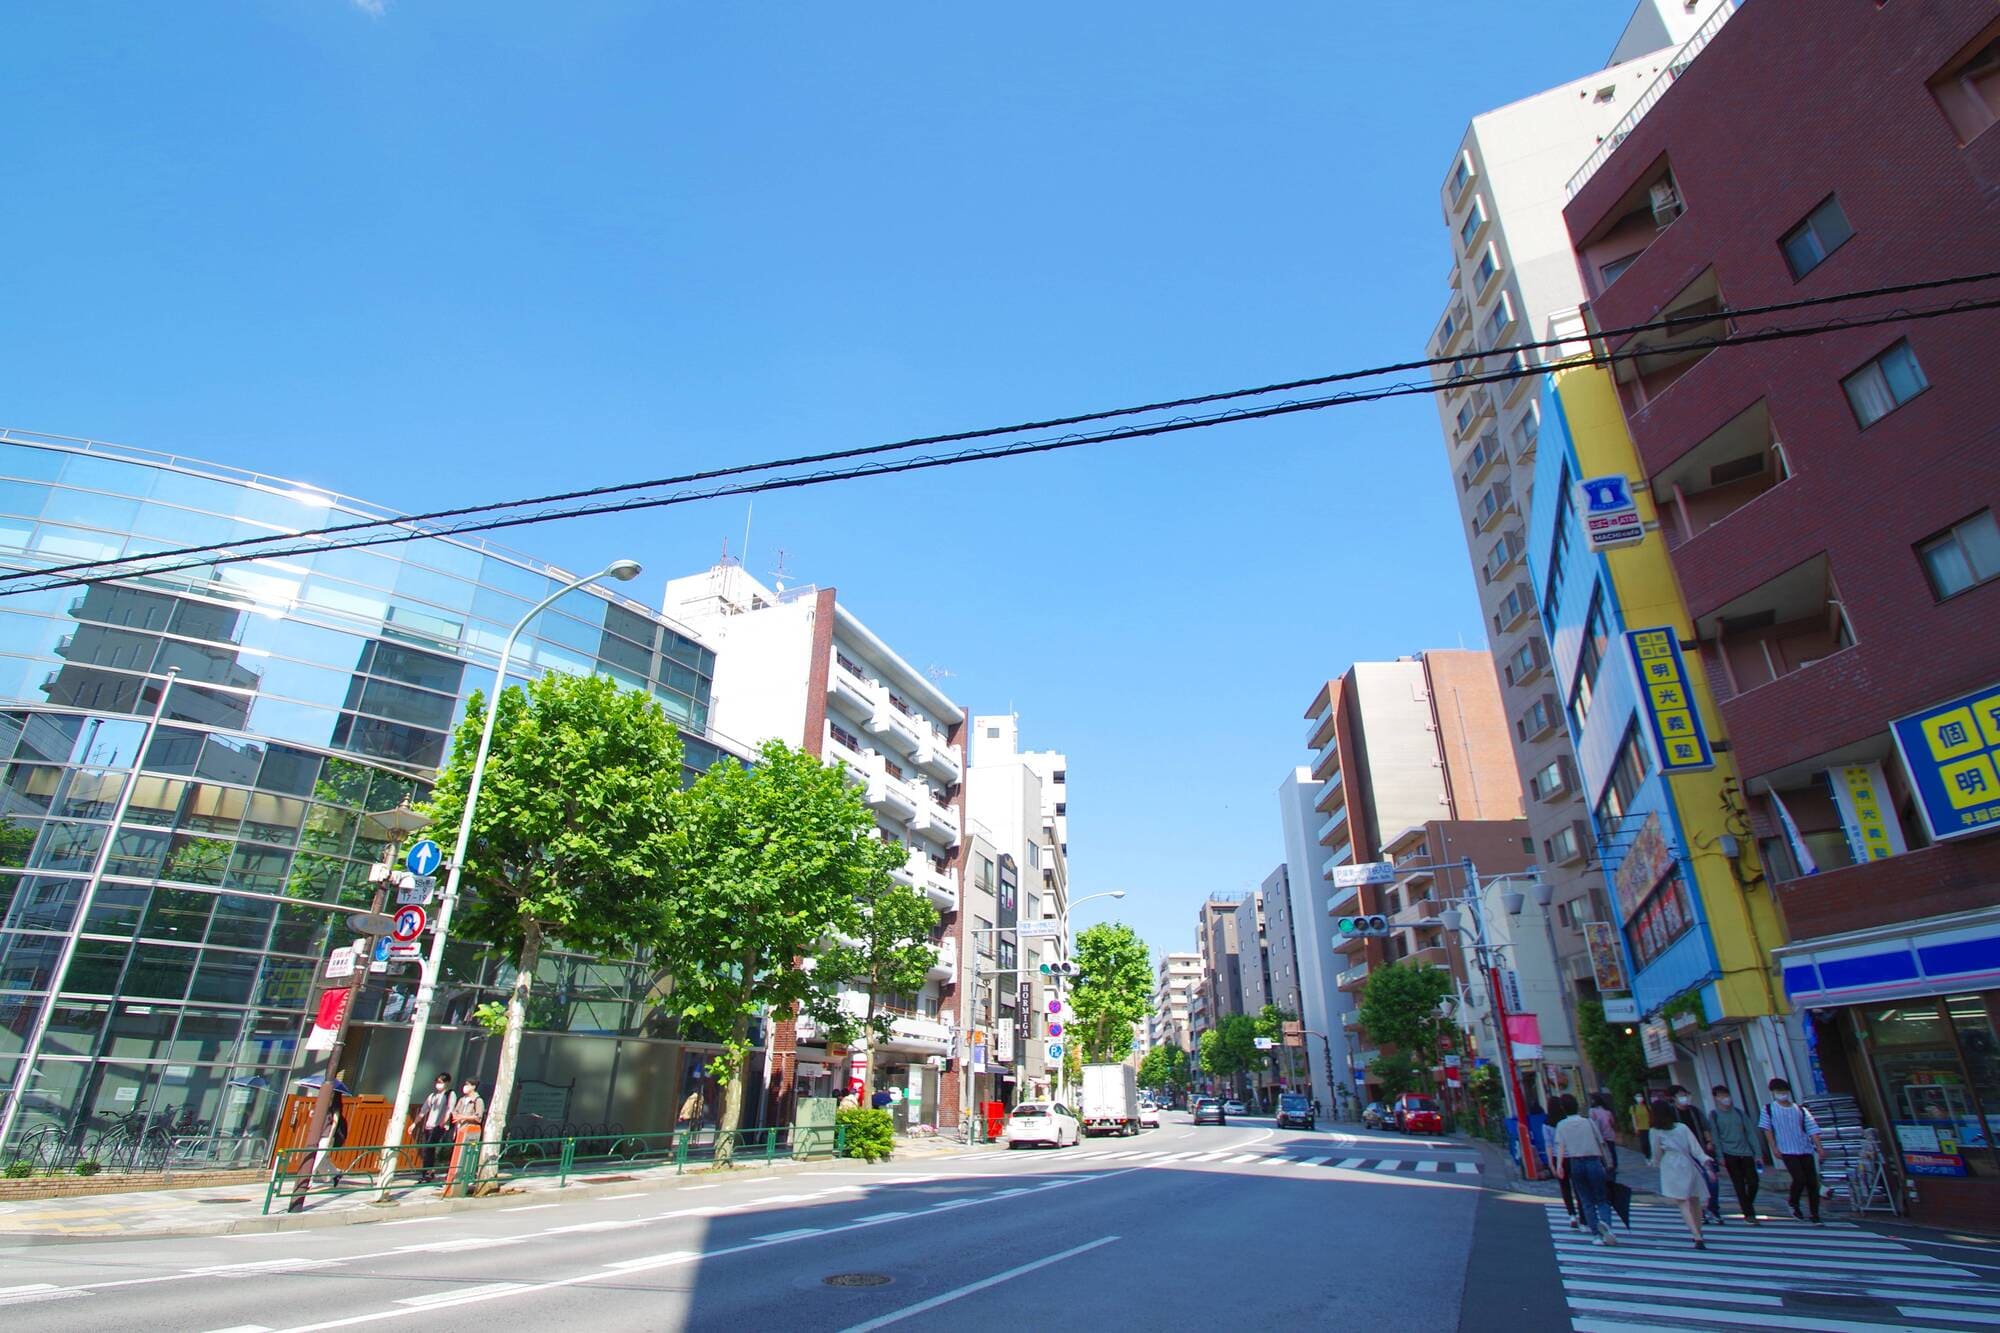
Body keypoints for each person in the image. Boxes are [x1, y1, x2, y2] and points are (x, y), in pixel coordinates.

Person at [1549, 1093, 1618, 1245]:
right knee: (1601, 1198)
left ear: (1563, 1109)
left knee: (1585, 1199)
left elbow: (1560, 1146)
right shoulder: (1588, 1122)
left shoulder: (1561, 1125)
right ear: (1577, 1106)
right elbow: (1601, 1142)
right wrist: (1608, 1162)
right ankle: (1607, 1225)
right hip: (1593, 1160)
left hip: (1575, 1162)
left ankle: (1596, 1235)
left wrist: (1559, 1165)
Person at [1649, 1099, 1715, 1249]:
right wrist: (1705, 1162)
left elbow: (1656, 1153)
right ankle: (1699, 1231)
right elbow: (1696, 1148)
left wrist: (1655, 1162)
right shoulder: (1682, 1127)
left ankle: (1695, 1235)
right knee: (1695, 1200)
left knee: (1683, 1202)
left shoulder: (1655, 1131)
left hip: (1671, 1164)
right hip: (1687, 1163)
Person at [1758, 1077, 1824, 1224]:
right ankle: (1793, 1203)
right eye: (1778, 1091)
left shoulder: (1800, 1109)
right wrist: (1773, 1147)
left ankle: (1815, 1213)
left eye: (1783, 1091)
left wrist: (1819, 1147)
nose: (1782, 1094)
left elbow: (1812, 1128)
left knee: (1812, 1182)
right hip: (1787, 1149)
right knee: (1799, 1179)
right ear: (1773, 1093)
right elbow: (1767, 1129)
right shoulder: (1769, 1109)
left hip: (1804, 1148)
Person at [1709, 1083, 1765, 1224]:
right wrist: (1720, 1155)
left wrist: (1757, 1153)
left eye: (1726, 1095)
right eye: (1721, 1096)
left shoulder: (1739, 1113)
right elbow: (1715, 1136)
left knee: (1753, 1182)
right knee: (1739, 1183)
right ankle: (1749, 1214)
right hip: (1729, 1153)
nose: (1725, 1099)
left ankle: (1747, 1205)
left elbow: (1750, 1133)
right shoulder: (1714, 1115)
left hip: (1746, 1152)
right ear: (1716, 1098)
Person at [1671, 1084, 1725, 1225]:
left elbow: (1705, 1127)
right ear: (1673, 1098)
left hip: (1700, 1150)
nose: (1684, 1098)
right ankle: (1699, 1211)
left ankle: (1713, 1209)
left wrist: (1709, 1142)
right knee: (1692, 1184)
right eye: (1680, 1095)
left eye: (1685, 1095)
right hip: (1683, 1154)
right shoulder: (1672, 1114)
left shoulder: (1694, 1111)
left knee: (1712, 1180)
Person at [416, 1072, 455, 1183]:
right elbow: (423, 1111)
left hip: (439, 1126)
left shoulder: (450, 1094)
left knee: (429, 1148)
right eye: (437, 1082)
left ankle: (427, 1173)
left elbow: (449, 1110)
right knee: (427, 1150)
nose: (438, 1085)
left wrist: (443, 1122)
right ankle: (427, 1172)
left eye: (441, 1082)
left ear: (447, 1083)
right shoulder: (432, 1096)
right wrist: (414, 1123)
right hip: (429, 1125)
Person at [1588, 1092, 1620, 1181]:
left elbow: (1592, 1123)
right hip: (1609, 1133)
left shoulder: (1592, 1111)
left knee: (1602, 1151)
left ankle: (1606, 1165)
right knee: (1612, 1150)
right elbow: (1612, 1122)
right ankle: (1614, 1165)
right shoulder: (1607, 1111)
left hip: (1599, 1135)